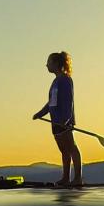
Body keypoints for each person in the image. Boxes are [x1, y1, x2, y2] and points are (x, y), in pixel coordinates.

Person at [32, 51, 81, 188]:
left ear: (55, 64)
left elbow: (68, 101)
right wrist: (40, 113)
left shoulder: (65, 80)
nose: (46, 65)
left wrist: (66, 120)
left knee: (72, 148)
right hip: (55, 121)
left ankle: (77, 178)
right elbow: (51, 102)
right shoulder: (55, 81)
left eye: (48, 62)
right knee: (64, 150)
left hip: (63, 121)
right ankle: (65, 177)